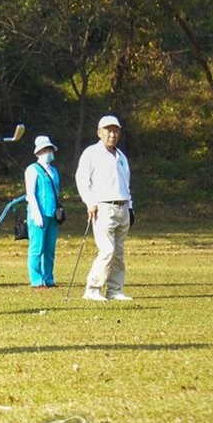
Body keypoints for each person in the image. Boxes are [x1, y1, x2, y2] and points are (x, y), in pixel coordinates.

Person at [74, 114, 134, 301]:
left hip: (122, 206)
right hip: (103, 207)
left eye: (116, 130)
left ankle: (115, 289)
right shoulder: (91, 153)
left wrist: (130, 207)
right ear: (99, 132)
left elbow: (126, 183)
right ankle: (92, 289)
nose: (112, 134)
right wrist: (90, 202)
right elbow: (82, 179)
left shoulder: (121, 156)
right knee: (107, 250)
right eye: (108, 130)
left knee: (118, 252)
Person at [25, 135, 62, 288]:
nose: (48, 153)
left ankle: (49, 278)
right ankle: (36, 280)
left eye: (50, 149)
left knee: (49, 249)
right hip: (38, 214)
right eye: (45, 150)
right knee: (37, 247)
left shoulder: (54, 170)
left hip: (52, 214)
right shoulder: (32, 169)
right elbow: (31, 193)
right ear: (38, 152)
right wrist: (36, 214)